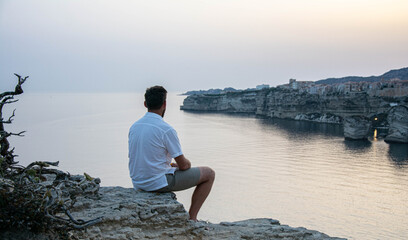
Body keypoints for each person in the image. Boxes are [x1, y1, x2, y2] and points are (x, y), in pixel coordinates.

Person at [128, 86, 215, 221]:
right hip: (156, 183)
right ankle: (192, 218)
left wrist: (168, 165)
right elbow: (184, 165)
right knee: (209, 174)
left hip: (138, 182)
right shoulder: (166, 129)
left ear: (145, 104)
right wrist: (184, 165)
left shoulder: (134, 127)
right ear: (165, 104)